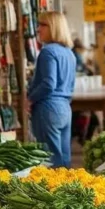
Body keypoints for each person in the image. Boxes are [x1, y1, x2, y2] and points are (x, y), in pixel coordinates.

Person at [29, 12, 76, 168]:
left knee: (51, 160)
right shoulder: (69, 53)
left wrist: (30, 99)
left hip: (48, 108)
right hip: (65, 108)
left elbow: (49, 84)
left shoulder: (47, 52)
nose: (38, 29)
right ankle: (69, 183)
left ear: (54, 27)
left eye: (43, 25)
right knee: (64, 158)